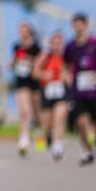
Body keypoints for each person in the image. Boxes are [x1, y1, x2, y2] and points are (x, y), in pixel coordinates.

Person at [64, 13, 96, 166]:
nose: (77, 28)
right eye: (75, 25)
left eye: (80, 24)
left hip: (93, 90)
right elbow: (66, 64)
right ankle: (88, 151)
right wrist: (67, 76)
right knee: (81, 122)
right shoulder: (70, 46)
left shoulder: (95, 43)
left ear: (85, 25)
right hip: (78, 90)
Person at [35, 31, 70, 162]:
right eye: (54, 44)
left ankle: (58, 144)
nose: (57, 46)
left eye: (59, 44)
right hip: (48, 91)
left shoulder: (67, 57)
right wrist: (44, 75)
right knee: (48, 121)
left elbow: (73, 72)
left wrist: (67, 77)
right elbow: (35, 71)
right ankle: (48, 134)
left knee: (59, 117)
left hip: (62, 92)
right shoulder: (45, 56)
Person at [10, 22, 42, 156]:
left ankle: (39, 131)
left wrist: (29, 59)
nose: (22, 33)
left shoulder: (36, 48)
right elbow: (12, 64)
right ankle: (24, 139)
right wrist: (14, 61)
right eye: (20, 30)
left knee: (36, 112)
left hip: (34, 82)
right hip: (21, 82)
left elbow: (40, 63)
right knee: (24, 112)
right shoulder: (16, 47)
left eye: (25, 30)